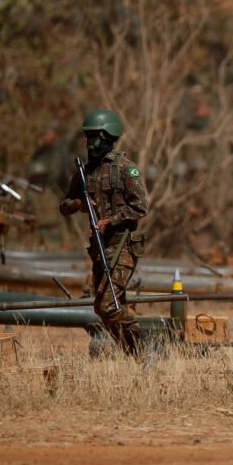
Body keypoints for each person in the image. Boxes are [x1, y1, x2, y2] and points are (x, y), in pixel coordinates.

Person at [60, 109, 149, 356]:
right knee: (102, 307)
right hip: (99, 247)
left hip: (124, 245)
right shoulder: (84, 173)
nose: (92, 143)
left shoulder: (125, 169)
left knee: (110, 305)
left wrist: (111, 220)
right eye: (89, 136)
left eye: (97, 136)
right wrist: (78, 204)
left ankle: (149, 347)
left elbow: (140, 207)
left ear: (110, 137)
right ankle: (136, 355)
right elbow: (64, 205)